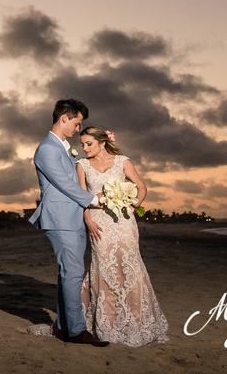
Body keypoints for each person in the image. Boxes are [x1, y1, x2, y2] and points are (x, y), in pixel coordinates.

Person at [77, 126, 169, 346]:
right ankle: (107, 325)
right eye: (83, 145)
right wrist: (88, 221)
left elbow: (141, 187)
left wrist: (132, 203)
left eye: (89, 144)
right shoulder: (82, 165)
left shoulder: (122, 161)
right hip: (99, 224)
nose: (85, 148)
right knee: (104, 269)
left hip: (124, 223)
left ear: (102, 143)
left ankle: (136, 322)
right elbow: (82, 196)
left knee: (129, 268)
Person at [28, 98, 108, 346]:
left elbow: (78, 175)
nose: (78, 128)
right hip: (61, 218)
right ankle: (76, 331)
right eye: (77, 123)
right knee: (72, 273)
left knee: (69, 273)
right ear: (64, 118)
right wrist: (93, 200)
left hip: (73, 218)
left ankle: (64, 328)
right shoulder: (47, 149)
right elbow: (64, 184)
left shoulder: (64, 148)